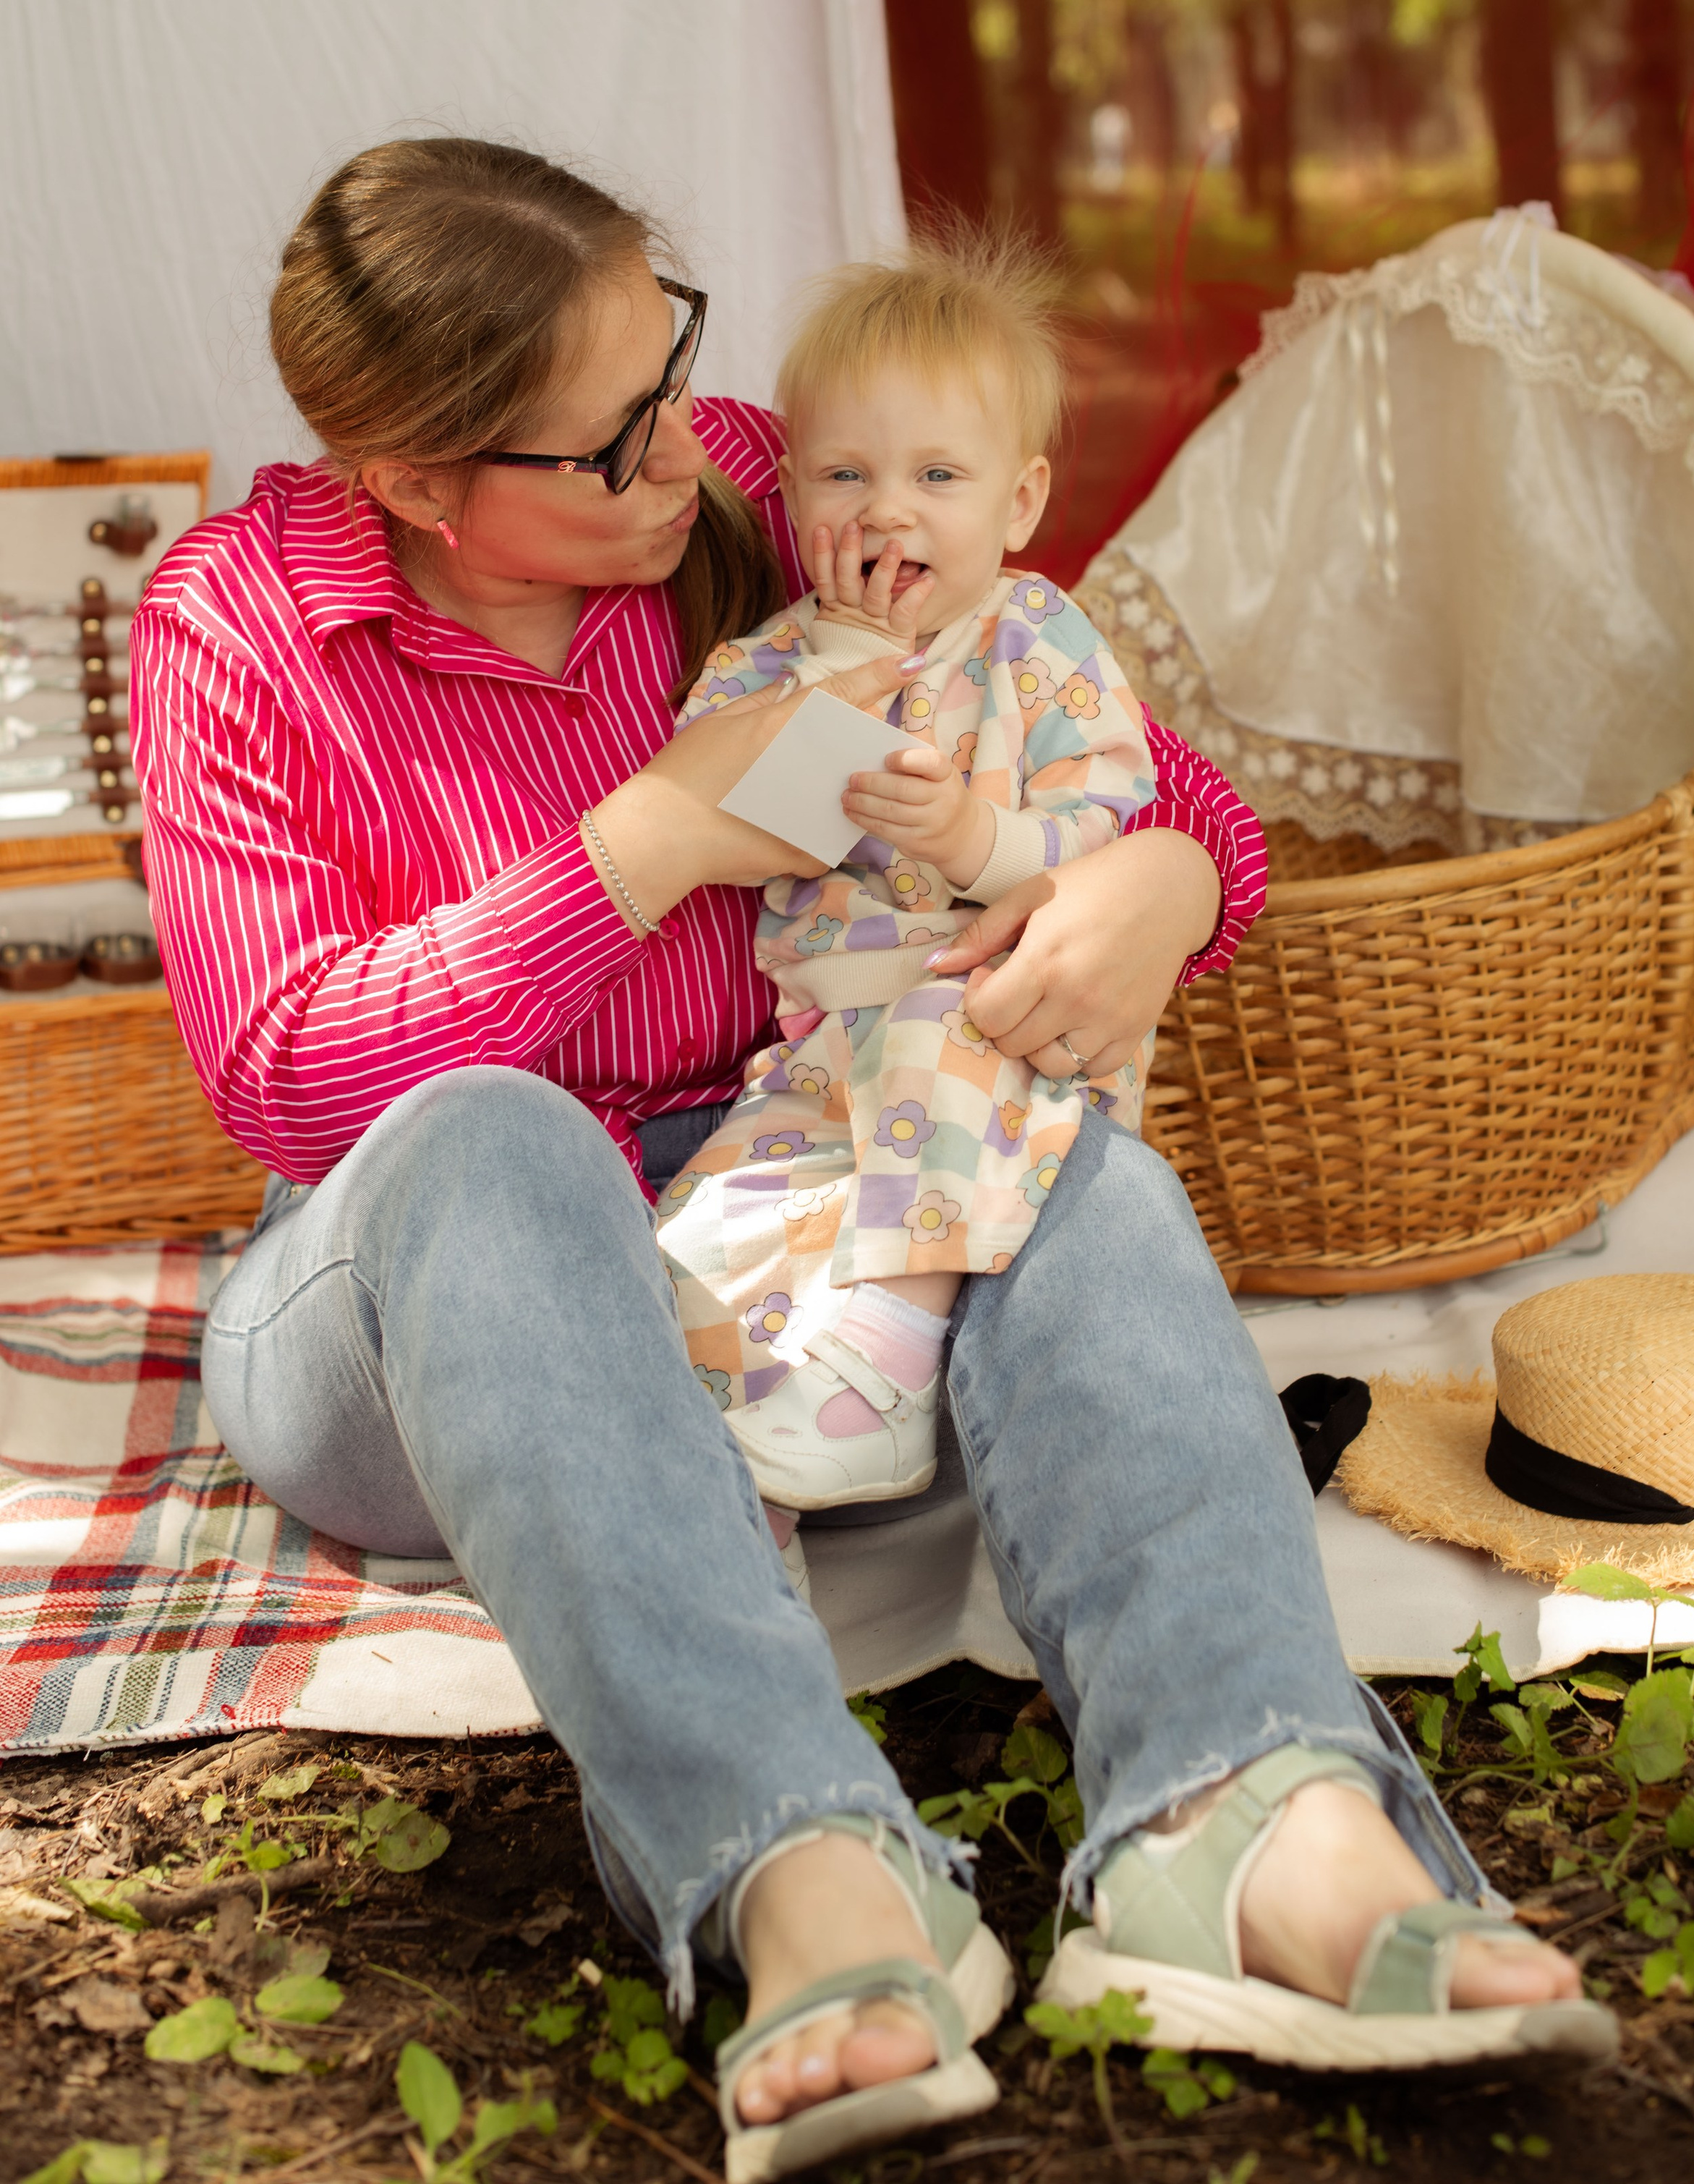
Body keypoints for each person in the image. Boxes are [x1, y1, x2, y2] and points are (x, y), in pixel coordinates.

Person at [129, 140, 1603, 2184]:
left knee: (1053, 1150)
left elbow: (1124, 757)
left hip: (794, 1208)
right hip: (427, 1287)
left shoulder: (750, 484)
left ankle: (1247, 1815)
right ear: (417, 481)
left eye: (681, 363)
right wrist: (651, 841)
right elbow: (289, 1078)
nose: (693, 455)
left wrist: (1164, 882)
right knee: (495, 1130)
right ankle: (805, 1866)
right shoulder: (241, 625)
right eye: (616, 437)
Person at [657, 239, 1157, 1513]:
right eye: (846, 474)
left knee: (942, 1042)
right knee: (709, 1222)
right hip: (825, 1044)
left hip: (1000, 1019)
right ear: (789, 493)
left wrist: (970, 842)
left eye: (937, 475)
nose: (888, 510)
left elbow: (1103, 825)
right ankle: (745, 1430)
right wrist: (844, 660)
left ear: (1019, 502)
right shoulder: (769, 665)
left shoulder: (1042, 642)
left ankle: (886, 1360)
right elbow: (735, 815)